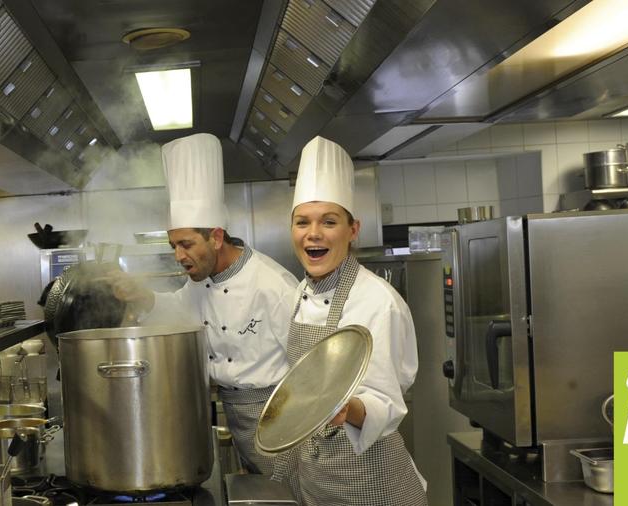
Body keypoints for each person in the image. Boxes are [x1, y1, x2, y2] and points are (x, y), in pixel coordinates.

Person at [113, 133, 297, 475]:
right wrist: (145, 297)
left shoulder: (274, 285)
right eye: (173, 245)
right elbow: (181, 313)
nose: (178, 256)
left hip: (280, 418)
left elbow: (306, 369)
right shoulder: (200, 280)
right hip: (237, 415)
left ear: (215, 236)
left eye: (185, 244)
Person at [272, 136, 427, 505]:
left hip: (370, 479)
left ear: (352, 230)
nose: (313, 233)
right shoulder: (298, 295)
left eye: (329, 221)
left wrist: (346, 409)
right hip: (317, 479)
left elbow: (388, 404)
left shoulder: (378, 302)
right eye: (302, 222)